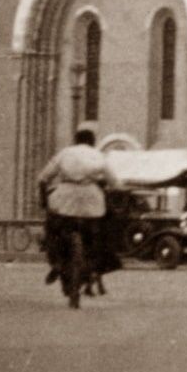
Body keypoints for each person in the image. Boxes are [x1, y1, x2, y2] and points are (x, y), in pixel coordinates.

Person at [37, 128, 121, 308]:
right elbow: (115, 182)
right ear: (92, 141)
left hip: (65, 199)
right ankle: (102, 262)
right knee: (104, 231)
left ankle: (55, 261)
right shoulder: (98, 156)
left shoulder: (65, 153)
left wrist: (43, 200)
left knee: (52, 228)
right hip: (92, 203)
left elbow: (43, 178)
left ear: (75, 140)